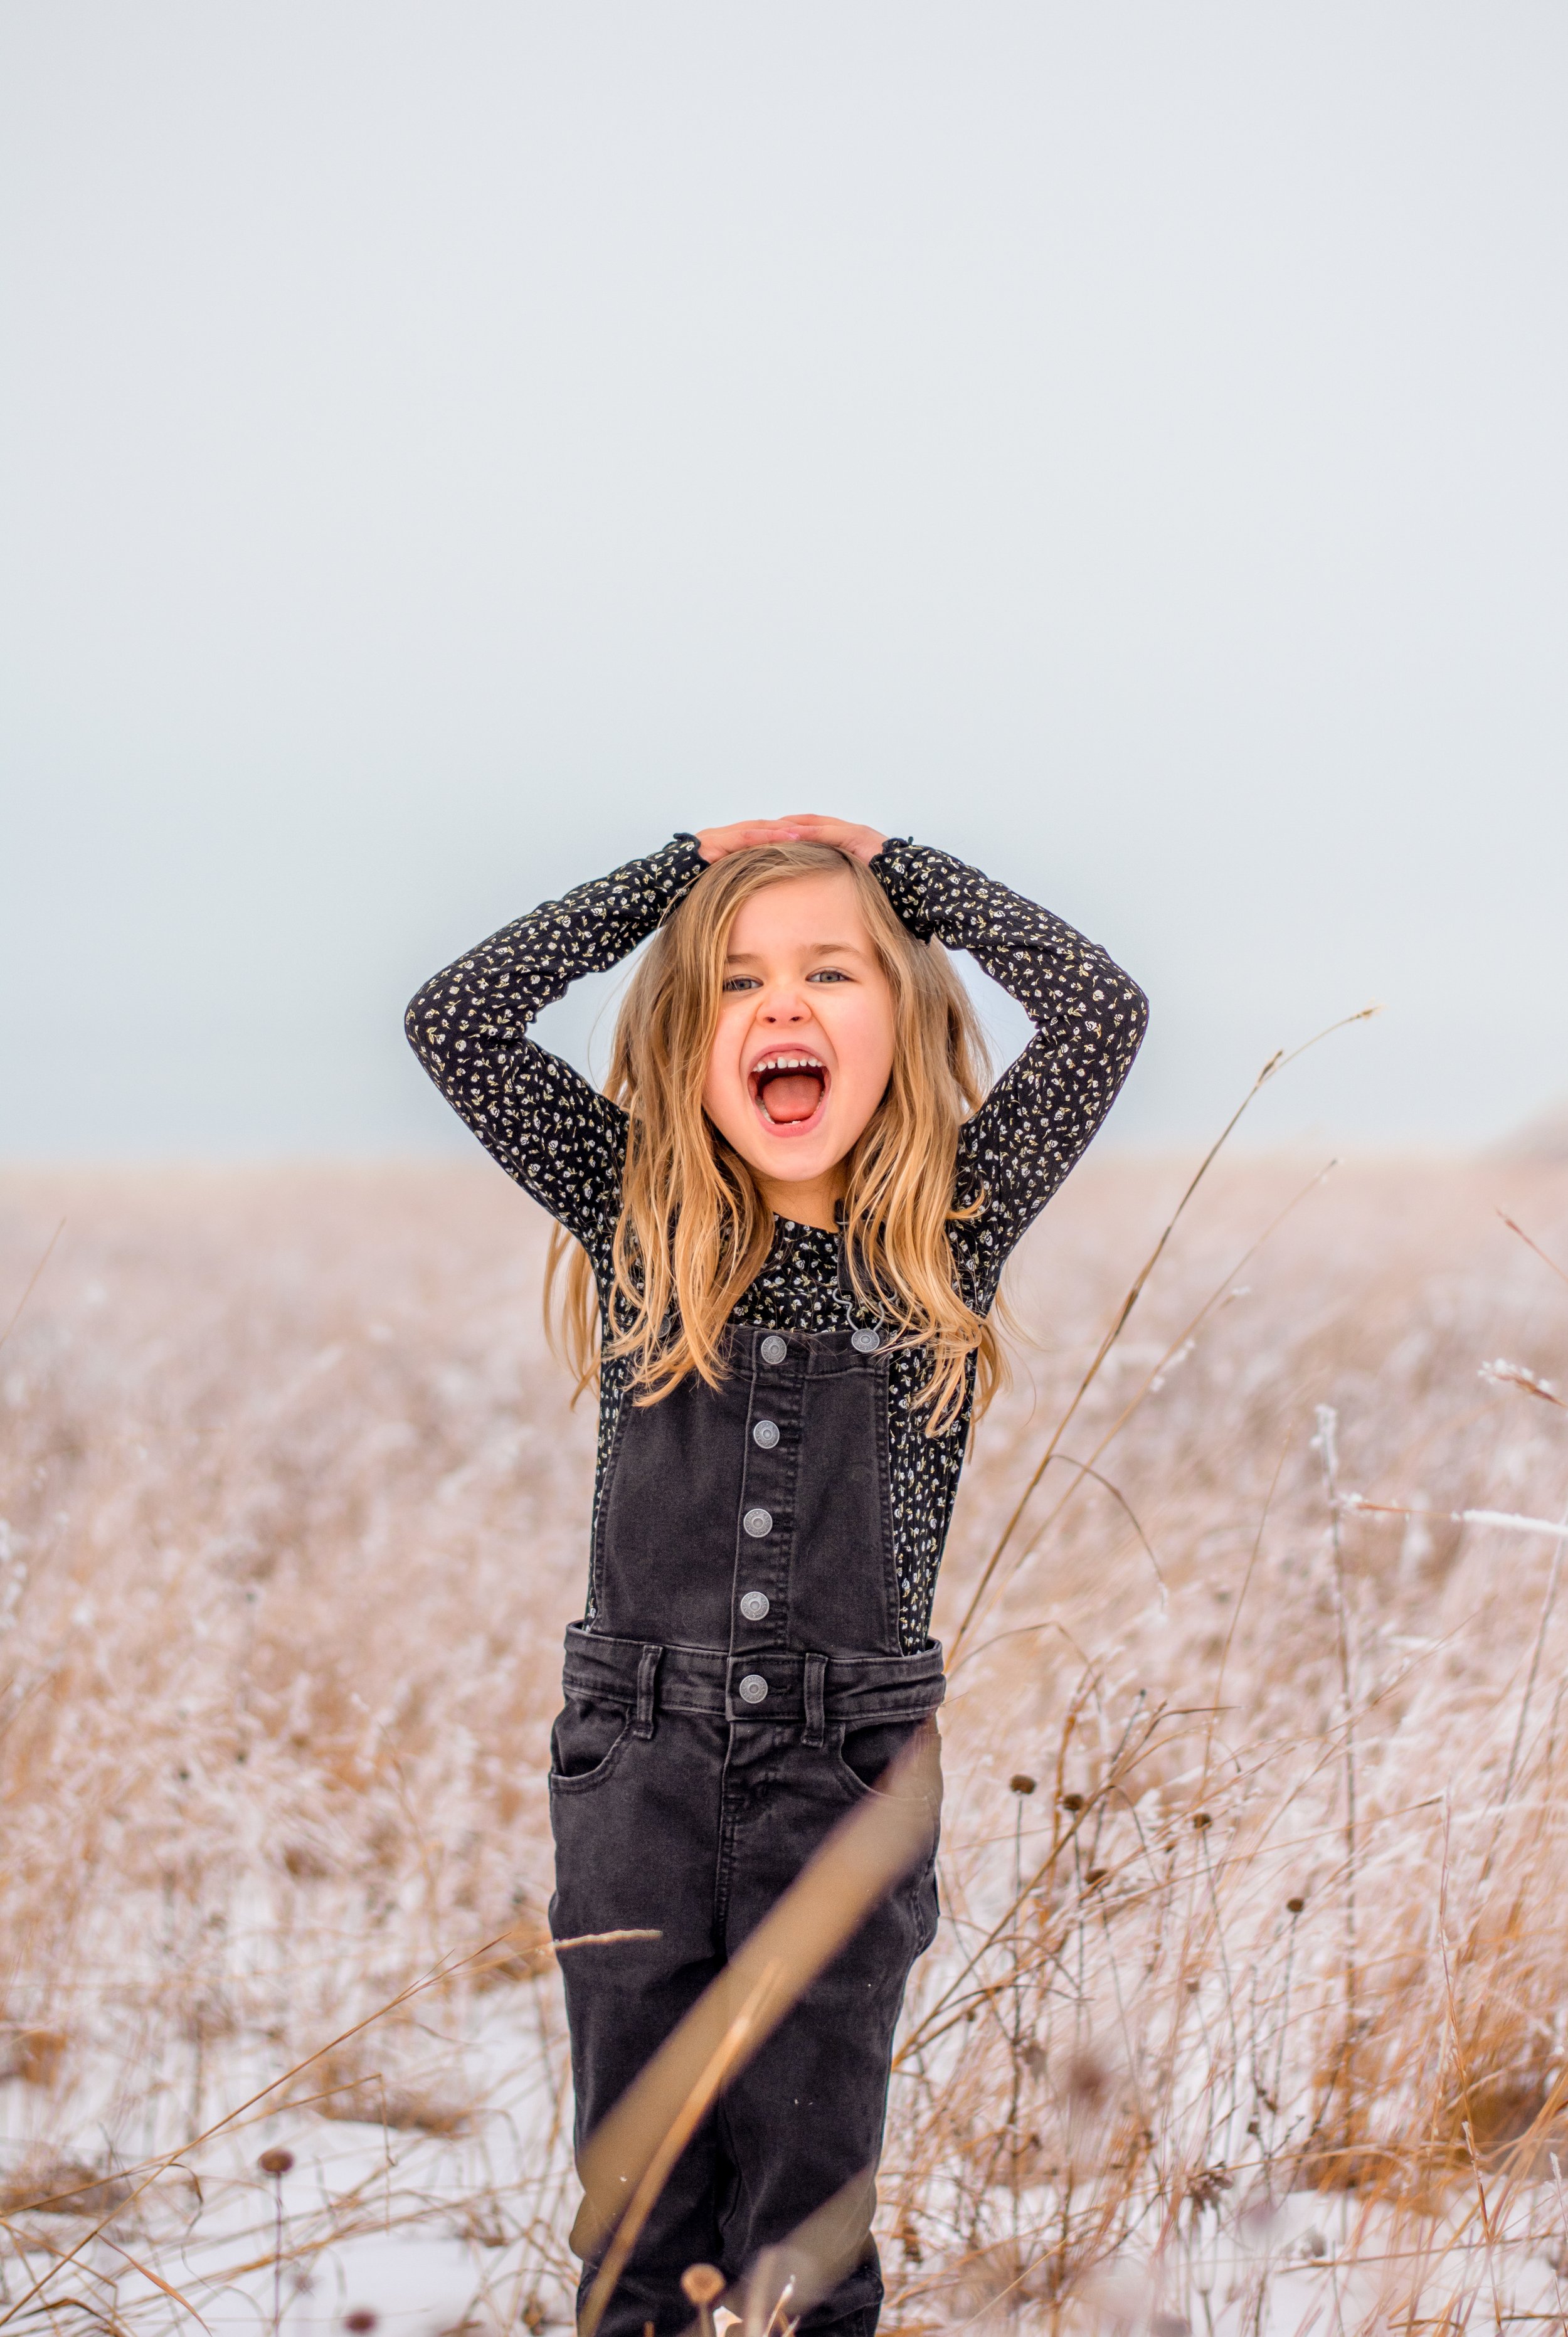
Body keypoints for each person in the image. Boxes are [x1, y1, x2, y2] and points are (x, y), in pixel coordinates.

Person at [406, 813, 1147, 2337]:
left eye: (832, 972)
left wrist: (907, 866)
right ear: (686, 1038)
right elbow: (454, 1020)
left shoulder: (947, 1226)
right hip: (640, 1766)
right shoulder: (645, 1220)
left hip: (845, 1778)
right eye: (736, 986)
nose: (784, 1009)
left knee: (803, 2235)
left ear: (909, 1017)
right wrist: (670, 873)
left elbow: (1097, 1014)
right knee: (638, 2224)